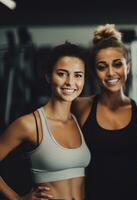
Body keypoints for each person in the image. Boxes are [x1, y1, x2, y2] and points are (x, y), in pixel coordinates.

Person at [0, 42, 91, 200]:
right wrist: (16, 199)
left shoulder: (79, 119)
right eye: (62, 74)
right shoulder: (29, 124)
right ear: (48, 76)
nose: (70, 82)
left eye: (78, 75)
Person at [72, 24, 137, 200]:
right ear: (94, 72)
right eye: (102, 67)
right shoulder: (80, 107)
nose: (111, 73)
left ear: (128, 67)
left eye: (117, 64)